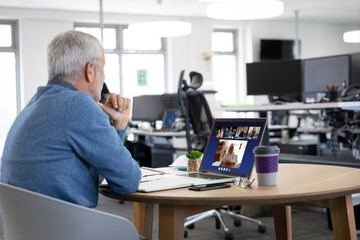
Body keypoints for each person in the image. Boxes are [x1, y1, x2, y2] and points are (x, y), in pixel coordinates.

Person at [0, 30, 142, 208]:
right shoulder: (78, 103)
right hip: (67, 230)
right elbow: (128, 180)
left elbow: (96, 173)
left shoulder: (34, 104)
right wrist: (120, 126)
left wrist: (119, 125)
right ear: (90, 70)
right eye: (103, 68)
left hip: (25, 231)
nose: (104, 76)